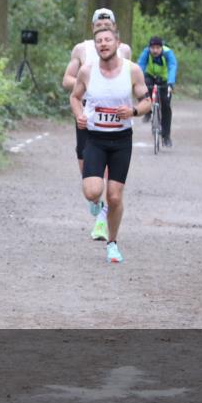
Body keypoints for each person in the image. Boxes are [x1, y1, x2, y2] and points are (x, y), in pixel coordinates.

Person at [70, 27, 151, 264]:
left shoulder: (132, 70)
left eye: (107, 40)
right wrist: (79, 115)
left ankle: (112, 243)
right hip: (95, 139)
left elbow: (147, 101)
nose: (103, 44)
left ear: (118, 42)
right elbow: (75, 97)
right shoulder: (87, 71)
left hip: (121, 140)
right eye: (99, 41)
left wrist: (133, 111)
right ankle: (97, 204)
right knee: (92, 191)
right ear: (95, 47)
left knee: (115, 197)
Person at [62, 8, 132, 242]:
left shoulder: (123, 50)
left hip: (112, 123)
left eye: (107, 24)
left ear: (114, 27)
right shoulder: (82, 49)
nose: (103, 27)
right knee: (88, 173)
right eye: (99, 24)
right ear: (93, 28)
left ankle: (104, 217)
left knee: (110, 176)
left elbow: (126, 79)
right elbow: (67, 80)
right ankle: (96, 201)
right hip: (86, 115)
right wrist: (90, 81)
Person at [137, 35, 178, 147]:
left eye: (158, 48)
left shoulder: (168, 53)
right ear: (149, 47)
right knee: (142, 89)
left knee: (166, 106)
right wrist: (138, 80)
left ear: (162, 47)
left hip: (165, 80)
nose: (155, 50)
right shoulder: (146, 53)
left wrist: (170, 82)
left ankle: (166, 136)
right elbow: (140, 66)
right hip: (150, 76)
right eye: (152, 48)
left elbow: (172, 67)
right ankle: (147, 111)